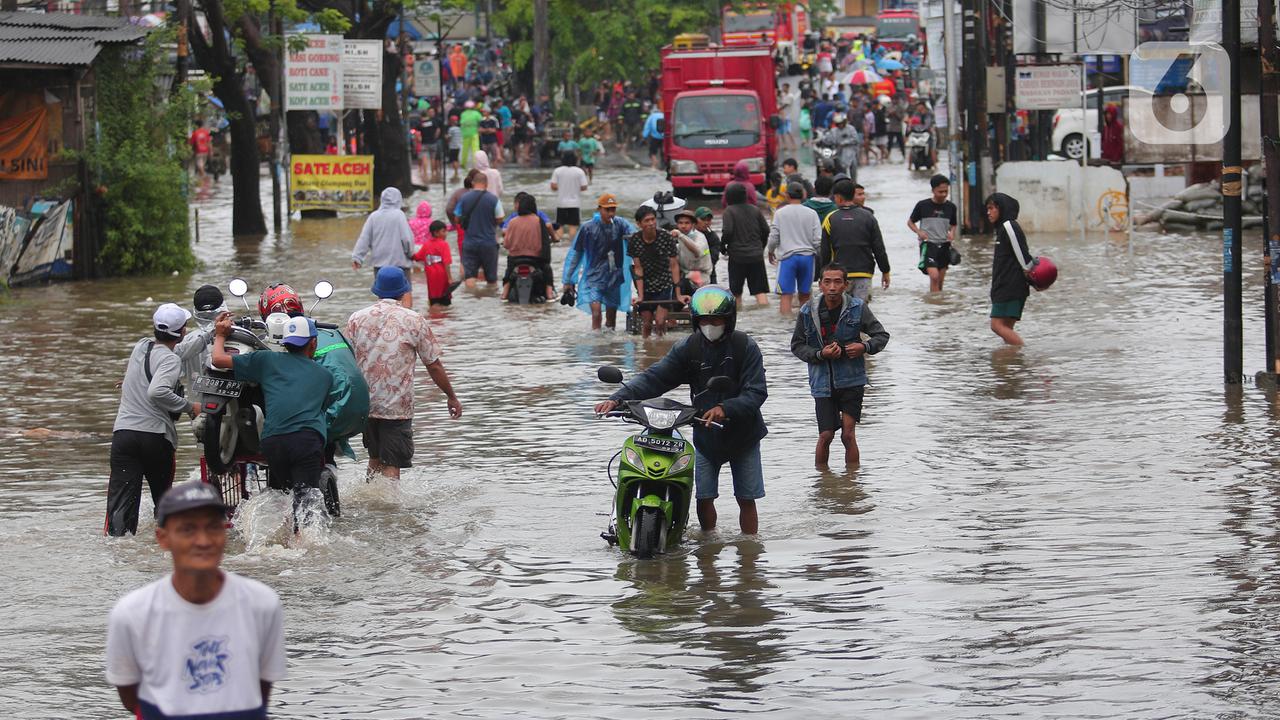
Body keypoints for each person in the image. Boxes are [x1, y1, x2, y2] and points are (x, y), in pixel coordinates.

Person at [594, 286, 768, 534]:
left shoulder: (745, 347)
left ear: (728, 320)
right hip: (705, 434)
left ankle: (750, 555)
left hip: (744, 434)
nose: (710, 324)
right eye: (705, 320)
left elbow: (756, 392)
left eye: (716, 319)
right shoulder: (689, 348)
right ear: (696, 321)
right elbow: (655, 377)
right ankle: (708, 548)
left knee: (746, 498)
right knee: (704, 497)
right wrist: (618, 399)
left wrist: (725, 408)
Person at [106, 481, 285, 719]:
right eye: (188, 529)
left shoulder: (262, 604)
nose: (203, 541)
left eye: (213, 527)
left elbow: (261, 690)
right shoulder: (133, 613)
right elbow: (130, 698)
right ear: (163, 538)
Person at [211, 313, 333, 524]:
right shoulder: (325, 375)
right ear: (313, 343)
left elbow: (217, 360)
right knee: (304, 503)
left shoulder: (265, 360)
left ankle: (278, 538)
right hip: (306, 443)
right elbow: (323, 409)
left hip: (273, 443)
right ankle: (301, 544)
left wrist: (220, 334)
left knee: (283, 495)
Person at [346, 268, 462, 481]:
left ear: (377, 290)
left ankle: (369, 501)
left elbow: (347, 361)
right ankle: (390, 512)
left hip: (366, 404)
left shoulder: (356, 319)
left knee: (374, 457)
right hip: (396, 407)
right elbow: (433, 365)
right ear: (403, 291)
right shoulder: (413, 320)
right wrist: (451, 396)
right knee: (392, 464)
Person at [105, 304, 202, 536]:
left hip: (124, 437)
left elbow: (142, 373)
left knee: (120, 507)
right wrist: (190, 407)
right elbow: (157, 392)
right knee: (164, 504)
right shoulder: (170, 361)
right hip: (156, 439)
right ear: (181, 333)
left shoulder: (140, 347)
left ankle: (118, 555)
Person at [791, 264, 890, 467]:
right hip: (822, 382)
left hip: (852, 379)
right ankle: (822, 484)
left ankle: (850, 484)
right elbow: (797, 346)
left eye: (837, 282)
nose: (832, 287)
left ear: (846, 285)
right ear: (820, 285)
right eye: (827, 282)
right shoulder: (807, 311)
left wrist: (864, 346)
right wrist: (820, 354)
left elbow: (881, 336)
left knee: (848, 435)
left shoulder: (858, 307)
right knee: (826, 435)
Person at [563, 194, 634, 330]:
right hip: (594, 278)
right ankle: (596, 343)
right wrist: (568, 280)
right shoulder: (587, 228)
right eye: (607, 210)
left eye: (613, 209)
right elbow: (576, 255)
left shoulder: (621, 224)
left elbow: (636, 239)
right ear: (599, 209)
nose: (611, 213)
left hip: (614, 277)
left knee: (611, 318)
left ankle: (608, 348)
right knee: (596, 313)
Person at [820, 179, 890, 302]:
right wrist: (885, 270)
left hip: (839, 276)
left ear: (839, 197)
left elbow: (825, 251)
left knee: (839, 312)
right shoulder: (868, 217)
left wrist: (823, 275)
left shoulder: (830, 218)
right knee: (861, 312)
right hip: (864, 273)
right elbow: (878, 248)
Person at [352, 187, 415, 308]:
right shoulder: (399, 215)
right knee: (405, 292)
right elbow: (407, 238)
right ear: (398, 199)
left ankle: (383, 322)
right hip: (400, 263)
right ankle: (407, 320)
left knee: (383, 296)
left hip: (380, 265)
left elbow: (364, 238)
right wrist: (410, 253)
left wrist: (357, 257)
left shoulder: (374, 216)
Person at [628, 205, 683, 339]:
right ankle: (646, 351)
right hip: (646, 286)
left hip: (664, 284)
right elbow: (638, 268)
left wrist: (678, 294)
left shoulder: (665, 237)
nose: (651, 223)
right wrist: (640, 296)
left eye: (653, 219)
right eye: (647, 221)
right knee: (646, 324)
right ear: (639, 224)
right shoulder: (635, 240)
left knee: (659, 322)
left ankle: (660, 348)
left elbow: (674, 265)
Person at [767, 182, 822, 314]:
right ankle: (806, 325)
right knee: (805, 294)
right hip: (807, 258)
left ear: (786, 195)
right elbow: (817, 240)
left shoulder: (780, 213)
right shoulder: (812, 213)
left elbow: (774, 236)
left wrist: (770, 251)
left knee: (786, 295)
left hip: (787, 259)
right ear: (803, 194)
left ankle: (785, 327)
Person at [987, 193, 1032, 345]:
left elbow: (1023, 257)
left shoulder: (1008, 226)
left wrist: (1032, 273)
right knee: (1006, 328)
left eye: (992, 208)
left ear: (1002, 208)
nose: (988, 212)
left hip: (1010, 286)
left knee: (996, 326)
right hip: (1005, 286)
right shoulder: (1001, 229)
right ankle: (1013, 362)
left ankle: (1023, 353)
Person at [721, 182, 771, 307]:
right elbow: (766, 230)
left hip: (737, 257)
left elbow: (727, 231)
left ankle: (738, 319)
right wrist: (761, 246)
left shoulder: (729, 211)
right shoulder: (755, 210)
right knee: (760, 291)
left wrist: (723, 246)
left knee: (736, 293)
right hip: (756, 256)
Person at [907, 174, 958, 292]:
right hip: (928, 245)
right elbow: (910, 222)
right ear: (933, 190)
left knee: (940, 281)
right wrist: (919, 232)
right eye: (940, 191)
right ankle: (935, 303)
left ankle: (936, 306)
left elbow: (954, 224)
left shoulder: (951, 207)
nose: (944, 194)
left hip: (945, 245)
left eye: (946, 191)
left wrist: (952, 233)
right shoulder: (922, 205)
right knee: (934, 277)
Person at [501, 194, 557, 301]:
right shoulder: (538, 220)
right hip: (536, 260)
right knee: (547, 269)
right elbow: (544, 242)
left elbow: (506, 244)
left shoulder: (512, 222)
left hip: (515, 260)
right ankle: (549, 293)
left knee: (508, 272)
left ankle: (504, 293)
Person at [455, 173, 505, 287]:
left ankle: (471, 301)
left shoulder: (464, 198)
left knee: (470, 277)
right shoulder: (494, 199)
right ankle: (489, 302)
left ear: (473, 183)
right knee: (491, 280)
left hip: (469, 243)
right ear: (486, 184)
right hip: (489, 243)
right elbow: (500, 218)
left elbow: (457, 218)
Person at [413, 220, 455, 307]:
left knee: (434, 301)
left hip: (431, 278)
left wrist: (408, 254)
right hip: (442, 277)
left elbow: (417, 257)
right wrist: (450, 278)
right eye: (443, 231)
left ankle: (434, 319)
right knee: (445, 302)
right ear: (436, 233)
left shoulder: (426, 245)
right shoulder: (444, 244)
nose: (446, 233)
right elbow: (447, 262)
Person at [671, 208, 712, 295]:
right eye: (680, 223)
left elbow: (697, 251)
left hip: (701, 277)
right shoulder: (678, 240)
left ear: (693, 224)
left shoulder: (700, 237)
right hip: (686, 277)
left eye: (687, 223)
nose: (683, 226)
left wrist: (680, 235)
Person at [550, 151, 588, 241]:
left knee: (559, 226)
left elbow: (553, 186)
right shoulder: (579, 171)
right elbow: (584, 187)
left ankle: (558, 243)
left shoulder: (557, 171)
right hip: (575, 204)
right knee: (573, 227)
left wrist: (562, 187)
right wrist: (575, 187)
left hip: (561, 203)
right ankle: (570, 246)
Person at [693, 206, 722, 285]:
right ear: (695, 220)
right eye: (703, 219)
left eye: (708, 220)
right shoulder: (687, 235)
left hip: (708, 274)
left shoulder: (713, 237)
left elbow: (714, 258)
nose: (706, 222)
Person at [459, 101, 482, 169]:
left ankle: (463, 163)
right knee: (475, 149)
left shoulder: (463, 114)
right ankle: (476, 164)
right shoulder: (476, 113)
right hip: (474, 133)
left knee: (465, 150)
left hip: (465, 134)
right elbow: (480, 121)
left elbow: (461, 123)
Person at [642, 104, 664, 169]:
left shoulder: (651, 117)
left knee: (652, 152)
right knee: (663, 152)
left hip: (655, 137)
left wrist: (644, 136)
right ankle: (663, 164)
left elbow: (647, 127)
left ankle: (654, 162)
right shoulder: (663, 115)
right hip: (664, 137)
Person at [446, 114, 463, 182]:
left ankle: (456, 173)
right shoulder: (459, 128)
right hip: (458, 146)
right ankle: (457, 172)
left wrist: (446, 137)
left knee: (454, 160)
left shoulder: (451, 129)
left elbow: (449, 138)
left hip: (453, 146)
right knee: (456, 159)